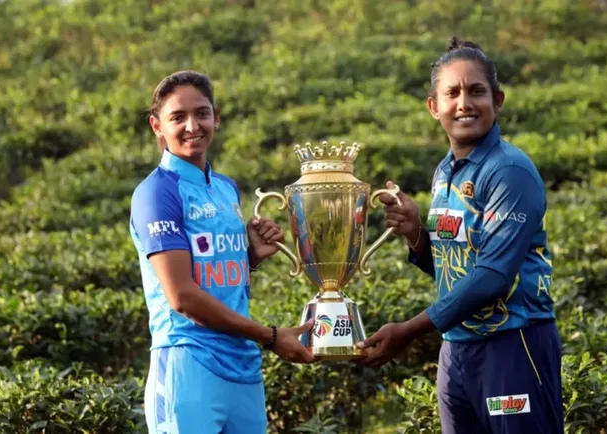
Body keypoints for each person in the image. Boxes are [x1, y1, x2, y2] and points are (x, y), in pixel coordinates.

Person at [356, 37, 564, 433]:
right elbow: (455, 268)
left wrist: (407, 331)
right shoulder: (445, 172)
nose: (464, 103)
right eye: (452, 93)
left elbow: (491, 277)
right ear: (434, 107)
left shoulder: (509, 171)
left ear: (498, 100)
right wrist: (417, 232)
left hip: (512, 346)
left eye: (476, 91)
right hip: (456, 352)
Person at [129, 70, 315, 434]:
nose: (191, 126)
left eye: (201, 113)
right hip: (189, 364)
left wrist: (250, 258)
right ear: (157, 125)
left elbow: (214, 274)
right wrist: (271, 337)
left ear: (216, 116)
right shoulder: (156, 194)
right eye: (177, 117)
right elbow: (182, 297)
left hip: (242, 368)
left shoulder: (226, 189)